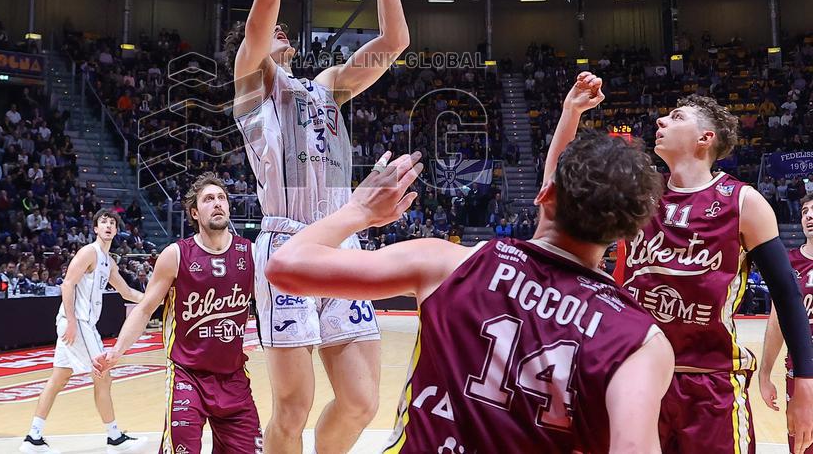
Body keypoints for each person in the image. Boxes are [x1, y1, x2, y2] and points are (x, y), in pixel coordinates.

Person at [266, 139, 673, 452]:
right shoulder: (640, 341)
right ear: (628, 233)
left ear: (545, 195)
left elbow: (285, 266)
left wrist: (358, 211)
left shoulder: (448, 263)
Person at [226, 0, 410, 453]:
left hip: (341, 244)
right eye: (270, 31)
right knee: (293, 407)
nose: (279, 30)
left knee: (360, 401)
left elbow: (394, 39)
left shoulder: (326, 87)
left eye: (283, 30)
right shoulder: (253, 88)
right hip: (287, 245)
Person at [547, 73, 813, 454]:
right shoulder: (638, 193)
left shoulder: (744, 202)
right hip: (637, 379)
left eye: (676, 116)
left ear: (706, 138)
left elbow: (787, 294)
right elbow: (557, 189)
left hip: (711, 385)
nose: (660, 121)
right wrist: (571, 112)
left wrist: (805, 379)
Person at [93, 174, 262, 454]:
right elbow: (146, 308)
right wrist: (117, 352)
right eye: (209, 199)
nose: (217, 204)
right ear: (194, 212)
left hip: (234, 378)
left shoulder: (251, 253)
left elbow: (270, 308)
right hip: (188, 376)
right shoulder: (176, 255)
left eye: (222, 198)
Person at [19, 209, 144, 454]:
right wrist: (73, 321)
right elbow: (67, 284)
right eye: (103, 222)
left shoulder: (109, 261)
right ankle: (114, 437)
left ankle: (33, 437)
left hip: (79, 323)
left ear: (116, 230)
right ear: (96, 228)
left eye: (112, 223)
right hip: (78, 323)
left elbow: (127, 292)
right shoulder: (89, 252)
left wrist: (155, 299)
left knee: (59, 378)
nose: (108, 226)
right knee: (103, 375)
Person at [759, 193, 813, 454]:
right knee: (802, 445)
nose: (809, 216)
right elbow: (776, 321)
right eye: (804, 211)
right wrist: (765, 372)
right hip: (799, 372)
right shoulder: (789, 262)